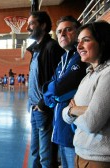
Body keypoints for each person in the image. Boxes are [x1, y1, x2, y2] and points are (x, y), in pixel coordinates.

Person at [62, 21, 110, 168]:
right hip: (80, 154)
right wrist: (74, 110)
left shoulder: (108, 74)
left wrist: (72, 111)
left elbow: (91, 123)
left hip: (99, 160)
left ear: (102, 42)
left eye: (86, 40)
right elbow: (65, 114)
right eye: (78, 41)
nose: (79, 46)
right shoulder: (88, 75)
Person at [42, 16, 87, 168]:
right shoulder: (63, 59)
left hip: (73, 131)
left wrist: (53, 93)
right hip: (61, 127)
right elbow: (50, 89)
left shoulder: (80, 57)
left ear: (78, 32)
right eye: (59, 31)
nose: (62, 34)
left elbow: (57, 88)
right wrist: (52, 96)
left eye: (68, 30)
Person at [26, 11, 65, 168]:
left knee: (46, 156)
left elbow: (59, 80)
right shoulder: (36, 50)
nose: (28, 28)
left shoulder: (51, 47)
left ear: (42, 25)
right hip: (35, 108)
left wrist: (43, 104)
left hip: (44, 109)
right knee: (35, 152)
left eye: (32, 24)